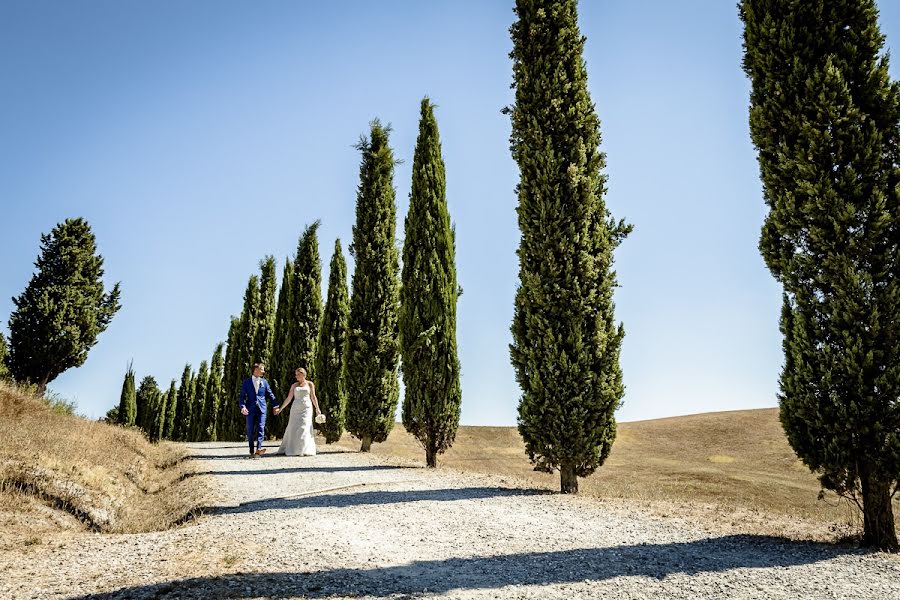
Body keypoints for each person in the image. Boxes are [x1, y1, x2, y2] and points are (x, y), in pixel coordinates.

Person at [273, 367, 321, 456]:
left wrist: (317, 409)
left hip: (307, 408)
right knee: (294, 427)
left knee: (305, 426)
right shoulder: (294, 385)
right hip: (296, 408)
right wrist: (281, 408)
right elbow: (289, 398)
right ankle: (294, 449)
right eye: (296, 375)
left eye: (298, 374)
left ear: (303, 374)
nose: (296, 376)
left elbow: (313, 397)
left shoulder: (310, 384)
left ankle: (305, 449)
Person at [239, 362, 276, 458]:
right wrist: (243, 406)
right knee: (250, 430)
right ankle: (251, 450)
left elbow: (270, 394)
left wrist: (275, 406)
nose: (263, 371)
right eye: (262, 369)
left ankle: (258, 449)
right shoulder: (246, 382)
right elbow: (242, 396)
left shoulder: (264, 382)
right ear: (256, 370)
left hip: (262, 408)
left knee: (261, 427)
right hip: (250, 409)